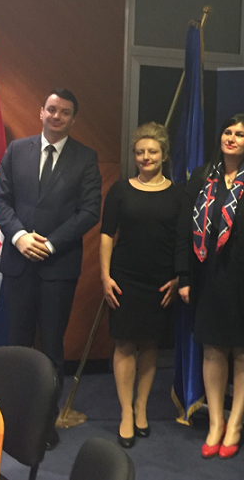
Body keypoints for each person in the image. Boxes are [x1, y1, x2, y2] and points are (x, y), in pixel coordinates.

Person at [0, 88, 102, 449]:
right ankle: (13, 418)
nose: (57, 116)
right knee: (17, 346)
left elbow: (89, 211)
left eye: (64, 112)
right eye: (52, 109)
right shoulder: (17, 150)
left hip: (58, 267)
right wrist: (19, 237)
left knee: (52, 347)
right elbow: (0, 200)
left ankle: (43, 421)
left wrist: (50, 243)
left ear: (73, 119)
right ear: (41, 112)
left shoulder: (86, 158)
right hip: (19, 264)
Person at [177, 114, 244, 459]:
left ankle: (235, 423)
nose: (232, 138)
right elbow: (183, 229)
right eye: (227, 132)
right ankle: (216, 422)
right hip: (208, 276)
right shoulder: (201, 177)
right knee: (213, 349)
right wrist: (184, 276)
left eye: (240, 134)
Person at [99, 122, 184, 448]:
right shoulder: (120, 190)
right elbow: (106, 235)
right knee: (124, 345)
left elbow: (182, 241)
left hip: (161, 281)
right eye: (140, 152)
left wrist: (178, 277)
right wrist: (105, 276)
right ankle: (125, 412)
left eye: (152, 151)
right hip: (124, 279)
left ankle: (141, 408)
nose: (146, 157)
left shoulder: (178, 194)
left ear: (164, 154)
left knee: (150, 345)